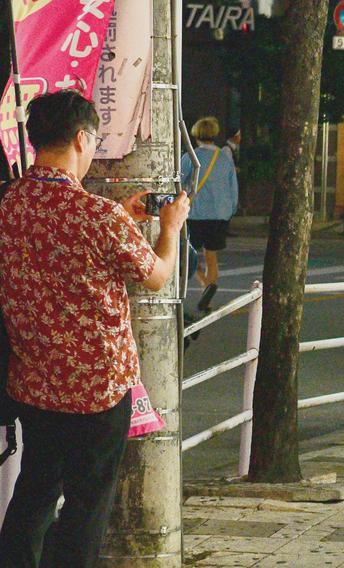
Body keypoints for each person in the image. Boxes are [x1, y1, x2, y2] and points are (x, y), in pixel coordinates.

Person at [0, 90, 189, 568]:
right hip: (97, 390)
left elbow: (57, 246)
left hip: (33, 383)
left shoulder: (9, 204)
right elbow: (156, 275)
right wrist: (170, 228)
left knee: (34, 491)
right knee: (86, 506)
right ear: (82, 139)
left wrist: (122, 215)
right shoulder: (98, 216)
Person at [183, 116, 238, 312]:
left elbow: (179, 183)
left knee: (186, 254)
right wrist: (231, 209)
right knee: (211, 255)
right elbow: (233, 187)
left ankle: (205, 283)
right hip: (219, 214)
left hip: (194, 214)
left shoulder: (190, 157)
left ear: (196, 134)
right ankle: (209, 292)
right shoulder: (224, 158)